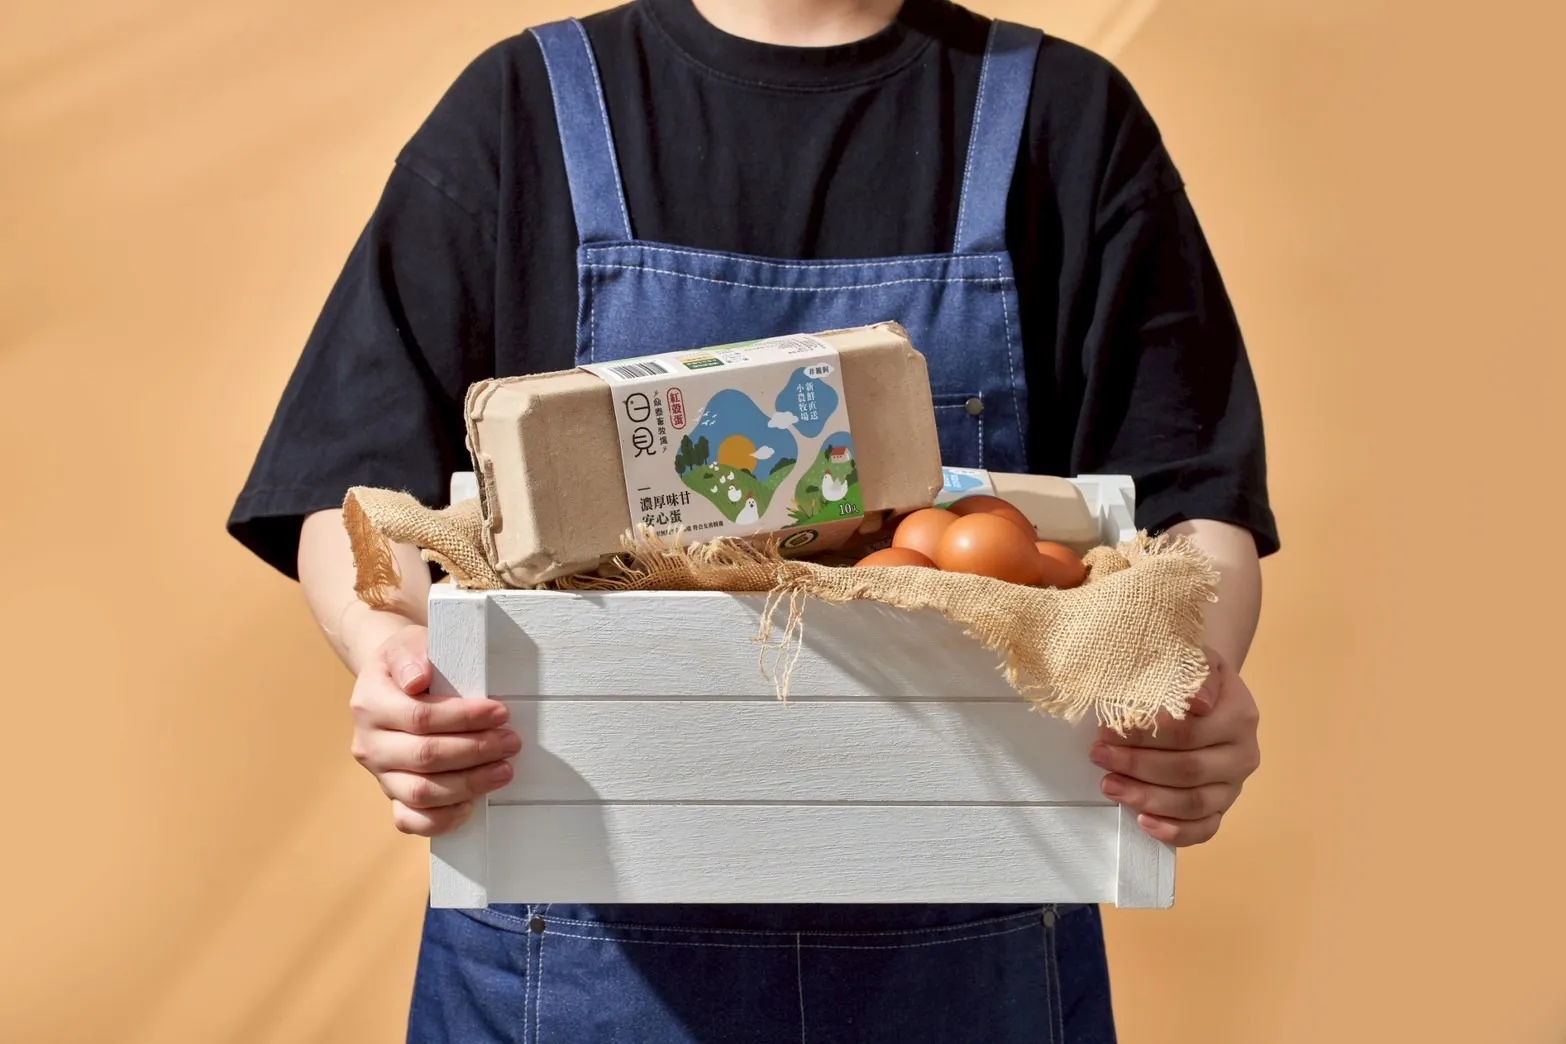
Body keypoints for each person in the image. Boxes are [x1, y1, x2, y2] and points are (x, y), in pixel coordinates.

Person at [227, 0, 1279, 1039]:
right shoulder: (522, 108)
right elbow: (353, 487)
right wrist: (392, 650)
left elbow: (1192, 511)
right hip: (575, 968)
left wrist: (1191, 688)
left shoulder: (1063, 117)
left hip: (970, 966)